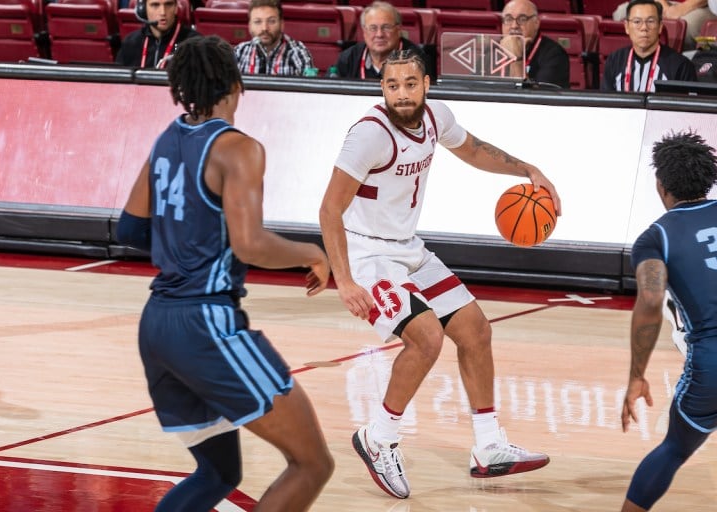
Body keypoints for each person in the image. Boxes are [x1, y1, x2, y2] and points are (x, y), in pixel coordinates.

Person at [318, 48, 560, 500]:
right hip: (369, 255)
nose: (402, 93)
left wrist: (528, 170)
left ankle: (488, 446)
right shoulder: (368, 136)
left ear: (426, 84)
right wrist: (345, 280)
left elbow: (472, 150)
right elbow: (330, 209)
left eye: (410, 84)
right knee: (425, 338)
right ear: (382, 88)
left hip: (409, 248)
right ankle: (379, 436)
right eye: (392, 85)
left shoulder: (436, 117)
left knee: (475, 331)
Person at [116, 35, 334, 511]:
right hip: (205, 325)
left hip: (157, 323)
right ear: (238, 84)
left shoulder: (167, 139)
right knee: (312, 463)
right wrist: (311, 252)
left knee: (219, 472)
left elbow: (130, 228)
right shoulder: (238, 149)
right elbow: (250, 244)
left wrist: (184, 239)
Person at [620, 130, 717, 511]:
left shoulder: (655, 237)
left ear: (661, 186)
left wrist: (636, 375)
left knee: (675, 448)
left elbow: (650, 299)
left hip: (712, 360)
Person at [602, 0, 697, 92]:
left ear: (660, 26)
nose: (644, 28)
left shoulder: (681, 66)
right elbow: (605, 104)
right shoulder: (614, 60)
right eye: (637, 21)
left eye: (650, 21)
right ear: (626, 27)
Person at [330, 1, 435, 81]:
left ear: (398, 30)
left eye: (386, 27)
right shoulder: (348, 58)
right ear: (364, 31)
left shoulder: (417, 60)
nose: (379, 34)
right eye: (373, 28)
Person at [499, 0, 570, 88]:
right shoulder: (491, 51)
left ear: (536, 23)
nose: (514, 26)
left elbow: (539, 98)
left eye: (522, 19)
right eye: (508, 19)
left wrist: (517, 60)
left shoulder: (554, 55)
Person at [234, 0, 315, 76]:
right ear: (250, 26)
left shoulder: (298, 52)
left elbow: (311, 88)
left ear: (282, 24)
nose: (264, 28)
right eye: (257, 22)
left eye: (271, 21)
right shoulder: (239, 51)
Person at [115, 0, 199, 69]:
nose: (163, 12)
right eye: (155, 5)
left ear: (176, 8)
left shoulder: (193, 44)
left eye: (168, 4)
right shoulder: (130, 43)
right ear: (143, 9)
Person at [613, 0, 717, 51]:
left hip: (699, 6)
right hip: (661, 3)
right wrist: (663, 7)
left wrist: (680, 9)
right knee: (621, 13)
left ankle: (673, 66)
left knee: (686, 26)